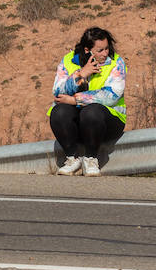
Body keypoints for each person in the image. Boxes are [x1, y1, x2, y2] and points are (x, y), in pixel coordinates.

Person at [49, 26, 127, 177]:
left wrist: (75, 100)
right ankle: (72, 159)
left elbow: (111, 95)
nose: (105, 53)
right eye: (100, 50)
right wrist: (81, 74)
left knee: (91, 112)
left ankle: (91, 159)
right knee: (59, 112)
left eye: (107, 48)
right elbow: (58, 92)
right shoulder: (68, 60)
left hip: (108, 121)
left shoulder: (116, 62)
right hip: (79, 123)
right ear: (87, 50)